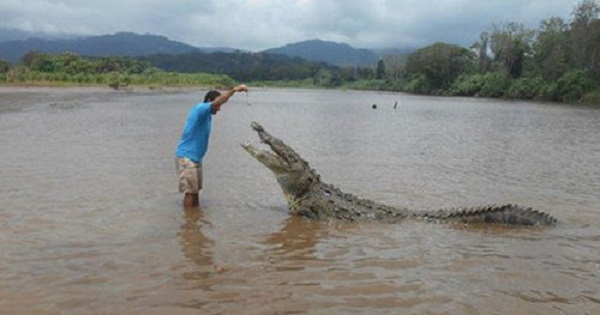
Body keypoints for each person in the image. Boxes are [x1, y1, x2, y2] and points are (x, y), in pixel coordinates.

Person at [175, 84, 249, 207]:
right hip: (186, 158)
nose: (219, 109)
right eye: (218, 105)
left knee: (195, 191)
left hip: (195, 159)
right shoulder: (200, 108)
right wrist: (234, 90)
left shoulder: (206, 115)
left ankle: (195, 221)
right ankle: (188, 224)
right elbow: (218, 102)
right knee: (190, 192)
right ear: (210, 101)